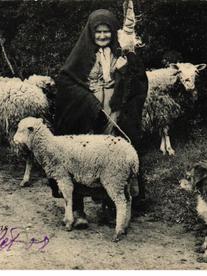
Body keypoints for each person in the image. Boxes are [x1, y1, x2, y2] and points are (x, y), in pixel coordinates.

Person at [50, 9, 148, 228]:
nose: (102, 36)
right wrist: (88, 101)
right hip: (86, 116)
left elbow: (139, 82)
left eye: (107, 32)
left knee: (110, 160)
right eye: (98, 32)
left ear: (113, 33)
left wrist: (127, 67)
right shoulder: (81, 56)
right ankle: (77, 209)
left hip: (113, 114)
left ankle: (110, 206)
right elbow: (66, 83)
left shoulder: (121, 54)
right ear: (90, 33)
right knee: (79, 159)